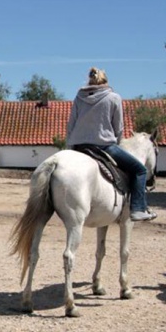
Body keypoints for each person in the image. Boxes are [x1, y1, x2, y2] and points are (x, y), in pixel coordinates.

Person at [66, 67, 156, 222]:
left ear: (90, 82)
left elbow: (71, 124)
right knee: (140, 170)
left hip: (78, 146)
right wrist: (118, 142)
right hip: (104, 146)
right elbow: (118, 127)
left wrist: (70, 147)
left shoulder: (79, 97)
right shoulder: (114, 97)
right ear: (106, 81)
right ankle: (138, 209)